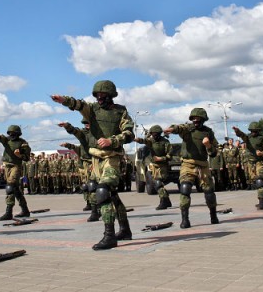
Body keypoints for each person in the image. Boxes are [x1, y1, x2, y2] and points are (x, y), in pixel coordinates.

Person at [51, 80, 134, 250]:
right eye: (97, 95)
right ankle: (125, 230)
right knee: (111, 195)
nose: (99, 98)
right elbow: (79, 104)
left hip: (112, 157)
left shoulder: (121, 111)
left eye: (103, 95)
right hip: (96, 160)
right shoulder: (92, 110)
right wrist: (64, 100)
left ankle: (109, 236)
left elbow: (129, 133)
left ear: (111, 95)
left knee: (103, 192)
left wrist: (112, 140)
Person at [164, 108, 220, 229]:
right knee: (185, 189)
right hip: (188, 163)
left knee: (209, 192)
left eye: (198, 119)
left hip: (203, 164)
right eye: (193, 119)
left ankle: (213, 215)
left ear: (203, 120)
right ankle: (185, 219)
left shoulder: (208, 132)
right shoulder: (188, 129)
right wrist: (171, 129)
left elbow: (214, 152)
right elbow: (179, 127)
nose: (195, 121)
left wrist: (208, 145)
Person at [0, 125, 32, 220]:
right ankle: (25, 210)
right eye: (10, 133)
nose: (11, 135)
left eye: (13, 133)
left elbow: (27, 158)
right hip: (7, 166)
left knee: (10, 187)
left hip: (16, 166)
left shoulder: (23, 143)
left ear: (18, 134)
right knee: (15, 189)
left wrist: (19, 155)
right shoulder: (6, 140)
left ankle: (8, 212)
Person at [58, 120, 97, 219]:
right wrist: (67, 126)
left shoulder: (97, 133)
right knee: (87, 186)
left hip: (96, 161)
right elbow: (75, 134)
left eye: (88, 123)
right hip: (85, 164)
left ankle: (99, 207)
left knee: (99, 186)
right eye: (85, 124)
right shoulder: (82, 135)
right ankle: (91, 205)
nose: (87, 125)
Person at [232, 123, 263, 209]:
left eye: (255, 131)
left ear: (258, 131)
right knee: (255, 181)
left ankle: (261, 203)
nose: (253, 133)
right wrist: (237, 131)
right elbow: (242, 135)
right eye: (251, 131)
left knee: (259, 180)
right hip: (250, 162)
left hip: (259, 162)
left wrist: (262, 153)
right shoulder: (248, 137)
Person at [134, 125, 173, 210]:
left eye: (156, 134)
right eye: (153, 134)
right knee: (156, 183)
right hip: (154, 165)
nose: (155, 136)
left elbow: (170, 155)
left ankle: (164, 201)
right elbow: (144, 141)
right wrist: (136, 139)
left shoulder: (165, 142)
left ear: (160, 134)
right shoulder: (151, 141)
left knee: (158, 183)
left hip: (163, 165)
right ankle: (165, 200)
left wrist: (161, 158)